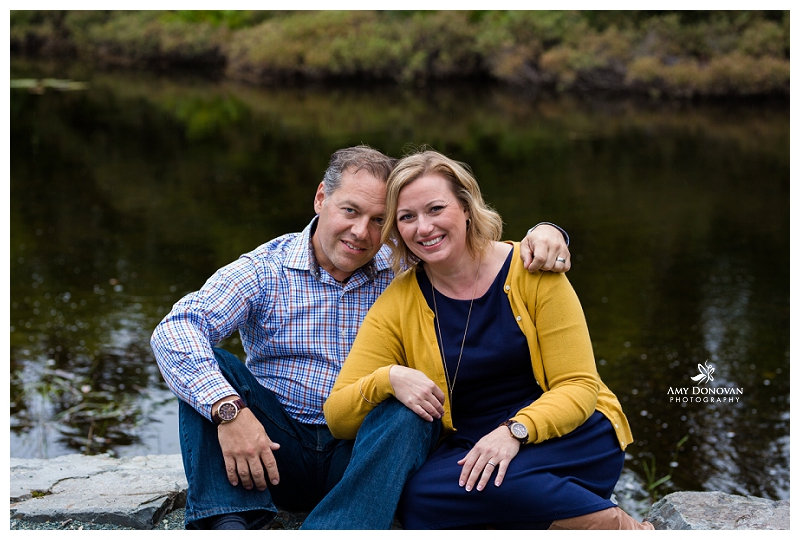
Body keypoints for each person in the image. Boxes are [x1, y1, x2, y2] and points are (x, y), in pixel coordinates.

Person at [150, 145, 572, 530]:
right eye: (349, 211)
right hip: (274, 447)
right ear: (321, 199)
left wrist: (547, 232)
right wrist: (231, 413)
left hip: (361, 452)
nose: (361, 233)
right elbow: (175, 329)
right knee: (212, 373)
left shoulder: (406, 269)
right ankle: (229, 524)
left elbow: (471, 250)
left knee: (412, 410)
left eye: (378, 221)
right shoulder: (266, 268)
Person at [322, 149, 653, 529]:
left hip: (568, 431)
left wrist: (515, 430)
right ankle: (593, 518)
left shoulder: (532, 272)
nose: (423, 228)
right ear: (397, 229)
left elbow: (578, 386)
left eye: (435, 209)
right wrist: (388, 378)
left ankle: (618, 527)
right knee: (418, 498)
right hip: (473, 443)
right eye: (407, 217)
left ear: (465, 206)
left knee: (485, 489)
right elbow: (338, 417)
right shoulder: (399, 300)